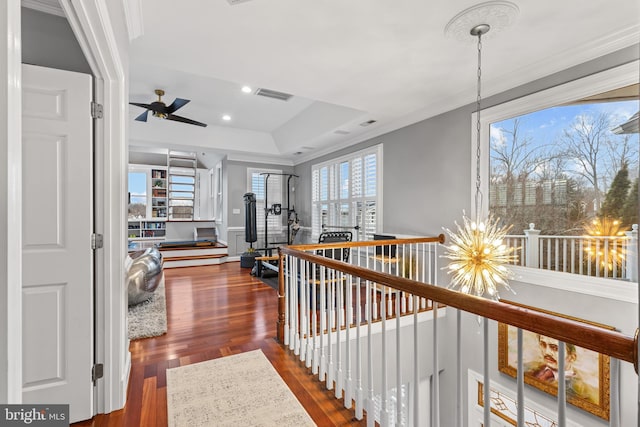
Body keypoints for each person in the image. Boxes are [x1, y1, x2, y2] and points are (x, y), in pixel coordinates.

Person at [524, 334, 599, 404]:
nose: (547, 352)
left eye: (555, 348)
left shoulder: (584, 392)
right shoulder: (528, 368)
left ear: (572, 357)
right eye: (543, 345)